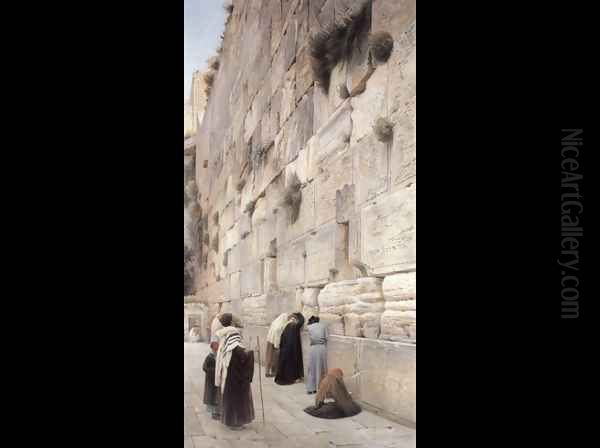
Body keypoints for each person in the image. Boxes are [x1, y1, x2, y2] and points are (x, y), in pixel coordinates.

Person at [215, 325, 255, 429]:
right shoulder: (237, 348)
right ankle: (236, 423)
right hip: (238, 381)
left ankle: (232, 422)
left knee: (232, 401)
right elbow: (245, 361)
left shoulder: (228, 347)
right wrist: (252, 353)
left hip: (230, 380)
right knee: (238, 402)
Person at [275, 312, 305, 385]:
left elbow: (282, 337)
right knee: (290, 366)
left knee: (285, 365)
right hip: (290, 349)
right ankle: (291, 378)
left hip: (285, 349)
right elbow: (302, 321)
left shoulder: (287, 325)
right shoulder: (294, 326)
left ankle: (285, 378)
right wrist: (299, 315)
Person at [306, 316, 328, 394]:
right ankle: (321, 388)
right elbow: (326, 338)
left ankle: (311, 388)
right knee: (322, 368)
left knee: (312, 368)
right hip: (322, 348)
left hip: (313, 348)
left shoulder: (309, 327)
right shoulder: (323, 326)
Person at [265, 313, 291, 377]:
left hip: (269, 341)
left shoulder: (275, 322)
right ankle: (274, 372)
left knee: (268, 356)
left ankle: (267, 372)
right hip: (274, 343)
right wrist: (277, 346)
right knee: (274, 358)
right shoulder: (279, 326)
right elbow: (277, 336)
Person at [202, 341, 220, 419]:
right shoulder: (209, 357)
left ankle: (217, 412)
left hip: (217, 380)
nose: (216, 350)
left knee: (217, 396)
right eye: (215, 349)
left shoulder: (219, 356)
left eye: (217, 348)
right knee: (212, 397)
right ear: (212, 348)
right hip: (211, 381)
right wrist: (214, 370)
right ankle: (214, 414)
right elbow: (204, 367)